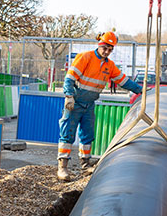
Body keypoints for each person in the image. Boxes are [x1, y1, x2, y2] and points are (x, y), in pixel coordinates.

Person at [57, 31, 143, 180]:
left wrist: (141, 90)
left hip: (89, 104)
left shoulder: (109, 66)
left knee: (87, 134)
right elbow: (70, 78)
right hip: (75, 103)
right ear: (100, 45)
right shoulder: (85, 57)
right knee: (67, 133)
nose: (107, 52)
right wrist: (69, 96)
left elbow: (124, 82)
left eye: (111, 49)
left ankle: (85, 164)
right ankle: (62, 167)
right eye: (105, 48)